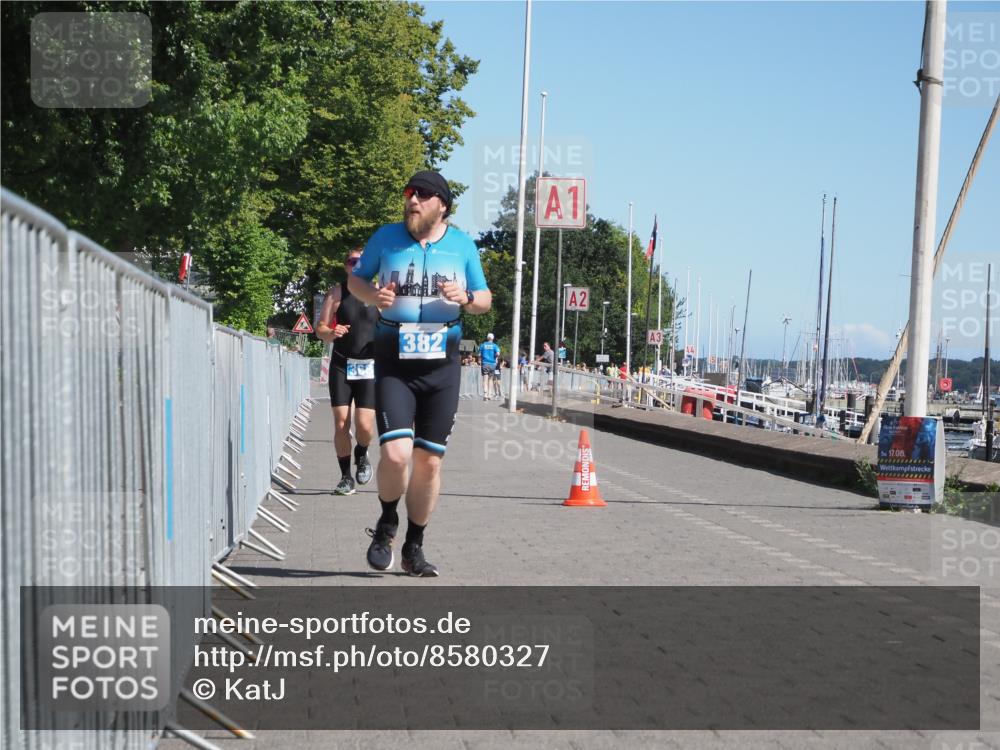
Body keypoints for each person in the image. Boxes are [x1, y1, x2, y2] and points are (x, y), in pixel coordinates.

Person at [348, 170, 491, 577]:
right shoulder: (386, 237)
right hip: (393, 354)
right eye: (409, 193)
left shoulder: (462, 245)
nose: (412, 200)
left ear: (442, 204)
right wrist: (373, 295)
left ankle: (414, 545)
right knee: (394, 453)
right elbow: (356, 280)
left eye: (422, 195)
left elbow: (484, 298)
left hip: (442, 361)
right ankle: (386, 521)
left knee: (428, 463)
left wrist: (465, 298)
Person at [316, 247, 378, 495]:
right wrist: (330, 332)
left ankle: (361, 453)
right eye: (353, 261)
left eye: (363, 261)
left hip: (370, 367)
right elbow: (320, 327)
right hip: (342, 364)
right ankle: (345, 477)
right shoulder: (336, 293)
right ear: (346, 266)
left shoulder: (379, 293)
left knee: (364, 426)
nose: (358, 265)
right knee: (341, 423)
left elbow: (394, 327)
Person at [479, 333, 500, 400]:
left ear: (487, 338)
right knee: (490, 379)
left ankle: (485, 393)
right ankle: (489, 394)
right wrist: (495, 357)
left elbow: (479, 354)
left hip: (485, 363)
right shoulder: (495, 346)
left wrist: (480, 359)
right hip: (492, 364)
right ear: (493, 338)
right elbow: (498, 353)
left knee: (485, 379)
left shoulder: (483, 345)